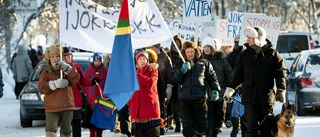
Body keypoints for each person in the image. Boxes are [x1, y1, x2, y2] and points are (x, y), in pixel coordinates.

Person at [223, 26, 286, 137]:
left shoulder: (273, 54)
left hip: (266, 98)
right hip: (249, 99)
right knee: (250, 129)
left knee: (267, 129)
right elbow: (237, 75)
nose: (247, 39)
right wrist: (230, 89)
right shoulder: (244, 54)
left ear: (258, 39)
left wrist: (281, 89)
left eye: (249, 37)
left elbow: (280, 72)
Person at [171, 41, 221, 137]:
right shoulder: (179, 63)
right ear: (184, 53)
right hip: (184, 98)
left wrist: (216, 89)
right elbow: (174, 78)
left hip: (199, 98)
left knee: (202, 124)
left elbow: (212, 77)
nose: (190, 54)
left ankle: (198, 134)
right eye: (188, 52)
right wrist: (182, 70)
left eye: (191, 51)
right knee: (187, 125)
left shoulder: (204, 62)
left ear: (195, 51)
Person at [38, 45, 80, 137]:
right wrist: (55, 84)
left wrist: (67, 68)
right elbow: (41, 87)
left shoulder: (66, 70)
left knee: (66, 131)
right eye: (52, 57)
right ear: (49, 59)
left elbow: (76, 78)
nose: (55, 59)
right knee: (50, 131)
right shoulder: (45, 73)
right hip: (51, 107)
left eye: (57, 56)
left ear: (60, 57)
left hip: (67, 106)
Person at [201, 37, 233, 137]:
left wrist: (229, 88)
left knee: (218, 117)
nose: (207, 49)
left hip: (219, 93)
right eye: (205, 47)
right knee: (207, 117)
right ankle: (208, 133)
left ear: (213, 48)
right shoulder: (200, 60)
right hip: (204, 94)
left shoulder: (221, 60)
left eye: (209, 47)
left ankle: (214, 132)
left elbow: (229, 74)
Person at [127, 50, 161, 137]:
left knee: (153, 133)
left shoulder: (153, 70)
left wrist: (138, 76)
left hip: (150, 107)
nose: (142, 61)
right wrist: (129, 102)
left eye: (144, 59)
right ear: (136, 60)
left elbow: (150, 83)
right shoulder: (131, 72)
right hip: (136, 109)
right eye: (140, 59)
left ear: (147, 60)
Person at [62, 47, 93, 137]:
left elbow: (83, 81)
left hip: (76, 102)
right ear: (63, 57)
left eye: (70, 55)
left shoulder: (76, 66)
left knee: (76, 126)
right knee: (65, 128)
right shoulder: (59, 69)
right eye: (67, 56)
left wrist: (92, 82)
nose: (70, 57)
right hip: (64, 103)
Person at [149, 44, 173, 135]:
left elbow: (169, 73)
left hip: (161, 87)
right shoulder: (149, 58)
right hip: (151, 88)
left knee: (161, 108)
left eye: (152, 47)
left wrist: (169, 86)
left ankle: (161, 127)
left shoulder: (165, 58)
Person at [83, 52, 108, 137]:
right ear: (93, 61)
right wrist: (87, 93)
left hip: (101, 100)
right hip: (91, 101)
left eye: (99, 61)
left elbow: (108, 84)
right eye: (95, 61)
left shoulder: (105, 71)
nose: (97, 63)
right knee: (91, 125)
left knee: (100, 124)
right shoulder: (88, 70)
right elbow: (84, 83)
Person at [166, 35, 183, 132]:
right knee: (173, 104)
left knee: (180, 104)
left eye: (178, 42)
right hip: (171, 82)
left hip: (180, 82)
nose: (177, 44)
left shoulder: (183, 54)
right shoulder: (169, 55)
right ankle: (173, 122)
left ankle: (178, 123)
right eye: (175, 42)